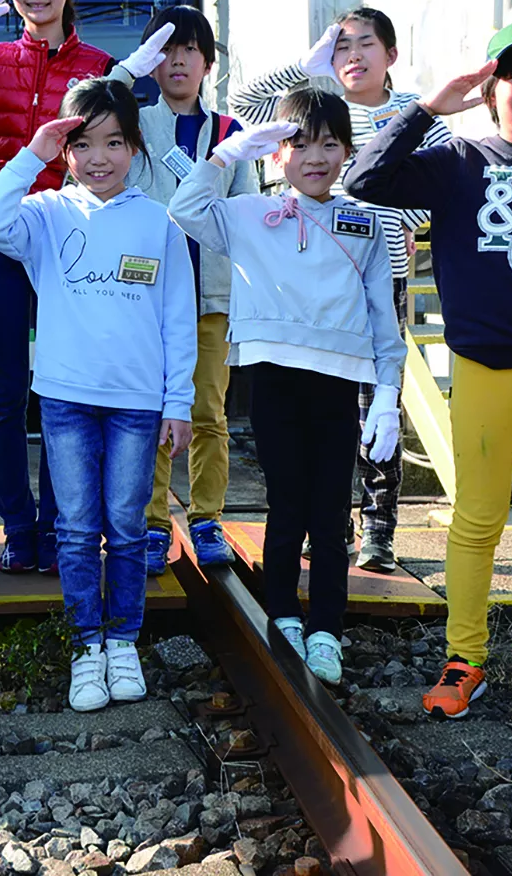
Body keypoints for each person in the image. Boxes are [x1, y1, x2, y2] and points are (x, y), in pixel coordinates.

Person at [345, 18, 512, 719]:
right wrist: (430, 109)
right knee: (477, 519)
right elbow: (362, 178)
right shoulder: (458, 162)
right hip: (487, 369)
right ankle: (465, 656)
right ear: (492, 87)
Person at [0, 0, 172, 578]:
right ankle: (18, 527)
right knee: (6, 390)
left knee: (67, 386)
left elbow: (122, 149)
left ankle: (61, 524)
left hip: (75, 240)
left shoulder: (99, 67)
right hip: (3, 237)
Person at [0, 78, 196, 713]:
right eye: (85, 144)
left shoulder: (159, 223)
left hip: (136, 403)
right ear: (66, 149)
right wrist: (33, 153)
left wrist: (176, 400)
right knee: (74, 530)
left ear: (135, 148)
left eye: (115, 142)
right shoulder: (46, 214)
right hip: (66, 399)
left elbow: (177, 318)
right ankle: (85, 646)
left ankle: (123, 640)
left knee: (126, 527)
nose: (100, 157)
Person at [169, 88, 402, 685]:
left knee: (330, 511)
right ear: (277, 153)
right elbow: (184, 208)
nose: (315, 156)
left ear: (348, 149)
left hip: (338, 380)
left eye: (329, 143)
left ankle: (326, 627)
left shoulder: (367, 222)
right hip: (272, 376)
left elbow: (382, 311)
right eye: (299, 143)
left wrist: (388, 396)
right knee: (287, 503)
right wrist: (226, 156)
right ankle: (283, 615)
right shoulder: (249, 213)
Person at [229, 9, 452, 572]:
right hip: (306, 282)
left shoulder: (419, 115)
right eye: (341, 45)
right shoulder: (313, 100)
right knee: (321, 416)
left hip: (380, 274)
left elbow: (444, 187)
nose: (352, 55)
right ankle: (327, 522)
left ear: (391, 55)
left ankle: (378, 524)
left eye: (366, 44)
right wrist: (301, 66)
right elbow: (243, 108)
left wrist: (393, 215)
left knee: (378, 403)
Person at [124, 6, 254, 574]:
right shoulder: (130, 124)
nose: (178, 61)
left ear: (207, 61)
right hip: (146, 299)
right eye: (166, 50)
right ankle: (153, 524)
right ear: (151, 60)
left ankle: (205, 519)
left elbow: (247, 217)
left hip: (211, 298)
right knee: (151, 413)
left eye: (190, 50)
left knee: (209, 412)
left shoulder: (229, 133)